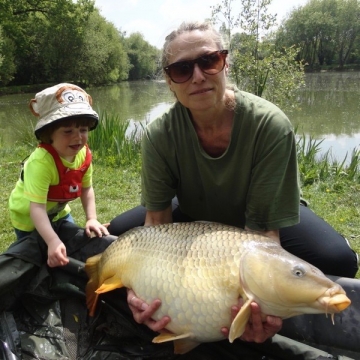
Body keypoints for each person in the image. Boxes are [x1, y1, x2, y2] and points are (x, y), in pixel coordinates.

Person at [107, 21, 358, 358]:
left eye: (208, 61)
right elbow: (157, 222)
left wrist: (261, 309)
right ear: (169, 81)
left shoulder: (269, 124)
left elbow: (263, 235)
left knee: (335, 258)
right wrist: (146, 289)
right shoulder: (159, 134)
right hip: (195, 209)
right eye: (182, 69)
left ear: (225, 63)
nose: (197, 76)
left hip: (257, 217)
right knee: (123, 233)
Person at [8, 83, 109, 268]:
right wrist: (52, 241)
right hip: (28, 217)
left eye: (83, 130)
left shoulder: (84, 155)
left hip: (59, 212)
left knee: (66, 248)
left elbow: (87, 189)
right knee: (33, 255)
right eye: (68, 131)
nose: (78, 137)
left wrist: (91, 218)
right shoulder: (41, 163)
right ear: (49, 134)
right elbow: (36, 208)